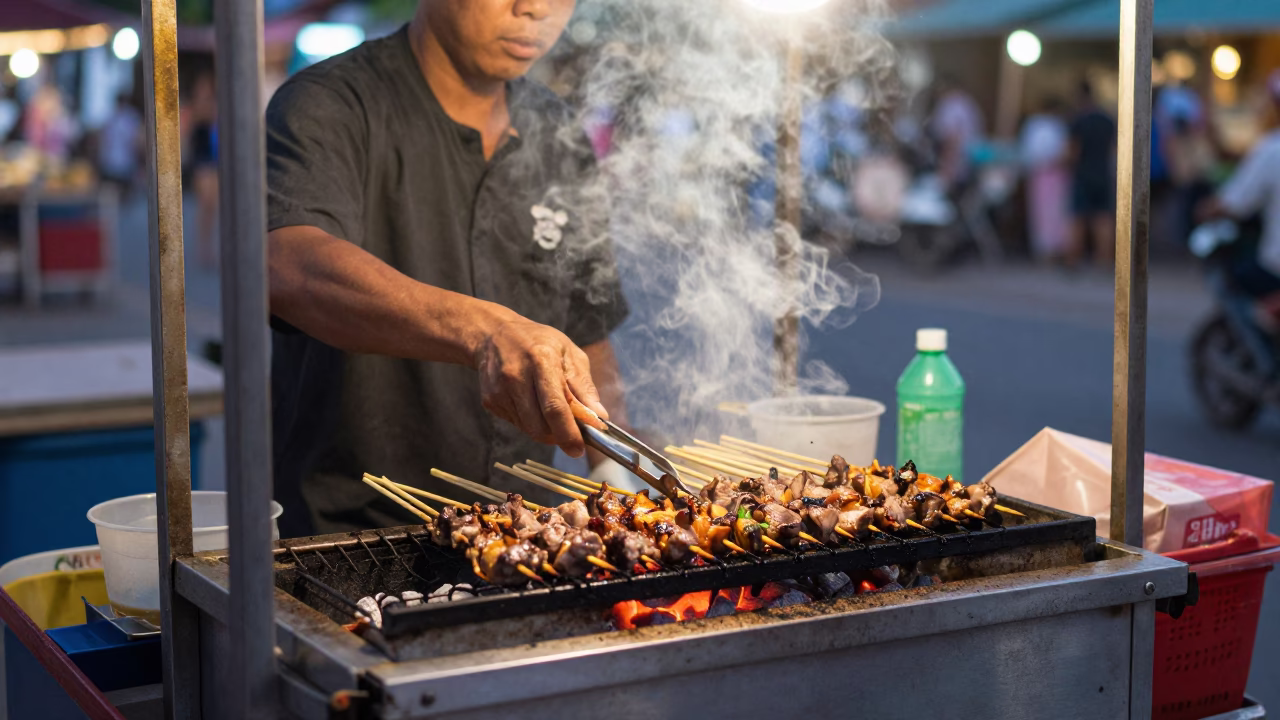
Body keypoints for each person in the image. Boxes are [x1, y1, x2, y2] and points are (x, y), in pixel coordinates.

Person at [266, 0, 630, 537]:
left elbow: (587, 324)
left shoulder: (557, 132)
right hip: (359, 541)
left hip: (532, 539)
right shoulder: (330, 103)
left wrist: (616, 466)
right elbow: (289, 265)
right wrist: (487, 332)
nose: (535, 9)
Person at [1200, 70, 1280, 305]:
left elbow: (1233, 203)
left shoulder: (1272, 149)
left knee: (1236, 281)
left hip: (1274, 266)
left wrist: (1206, 210)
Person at [1067, 80, 1116, 269]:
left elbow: (1073, 151)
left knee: (1078, 217)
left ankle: (1073, 258)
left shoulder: (1079, 120)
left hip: (1083, 173)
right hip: (1103, 172)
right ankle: (1103, 257)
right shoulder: (1107, 119)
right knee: (1103, 217)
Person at [1019, 97, 1070, 263]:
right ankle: (1050, 250)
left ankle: (1046, 250)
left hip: (1043, 175)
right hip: (1051, 174)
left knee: (1043, 214)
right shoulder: (1053, 126)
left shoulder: (1036, 125)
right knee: (1053, 213)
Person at [929, 76, 984, 194]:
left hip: (955, 166)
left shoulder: (951, 104)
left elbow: (952, 138)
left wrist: (946, 170)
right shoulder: (968, 103)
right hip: (969, 165)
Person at [97, 92, 143, 193]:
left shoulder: (112, 118)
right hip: (121, 162)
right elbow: (136, 142)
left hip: (118, 162)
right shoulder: (130, 118)